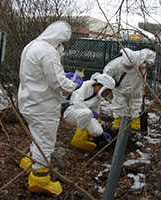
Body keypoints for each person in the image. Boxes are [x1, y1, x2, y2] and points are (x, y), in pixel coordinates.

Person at [18, 21, 79, 196]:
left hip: (28, 100)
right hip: (43, 104)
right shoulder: (48, 51)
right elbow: (57, 82)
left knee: (36, 134)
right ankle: (39, 178)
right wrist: (73, 84)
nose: (61, 46)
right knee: (45, 141)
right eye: (61, 42)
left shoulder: (32, 45)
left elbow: (40, 74)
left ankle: (29, 160)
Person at [103, 48, 156, 131]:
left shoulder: (142, 61)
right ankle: (118, 123)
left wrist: (148, 63)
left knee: (136, 105)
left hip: (137, 90)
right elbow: (106, 76)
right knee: (119, 104)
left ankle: (135, 124)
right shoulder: (115, 64)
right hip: (121, 90)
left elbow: (151, 56)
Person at [63, 73, 116, 151]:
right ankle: (78, 139)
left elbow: (96, 112)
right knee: (87, 113)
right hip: (71, 112)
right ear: (99, 85)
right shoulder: (86, 85)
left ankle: (91, 140)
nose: (106, 94)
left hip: (84, 116)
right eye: (106, 90)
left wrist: (101, 133)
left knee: (97, 131)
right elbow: (78, 102)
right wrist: (91, 112)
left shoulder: (98, 97)